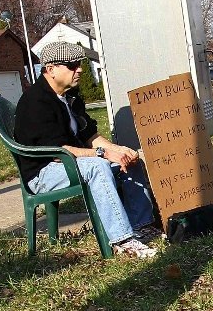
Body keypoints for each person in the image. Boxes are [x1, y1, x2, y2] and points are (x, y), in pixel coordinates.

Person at [14, 41, 160, 258]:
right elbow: (56, 152)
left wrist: (118, 150)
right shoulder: (36, 102)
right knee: (97, 167)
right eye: (72, 65)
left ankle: (143, 225)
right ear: (51, 69)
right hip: (44, 172)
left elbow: (90, 136)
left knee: (129, 158)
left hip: (70, 161)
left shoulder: (70, 97)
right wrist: (103, 154)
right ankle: (123, 240)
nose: (79, 69)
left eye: (80, 63)